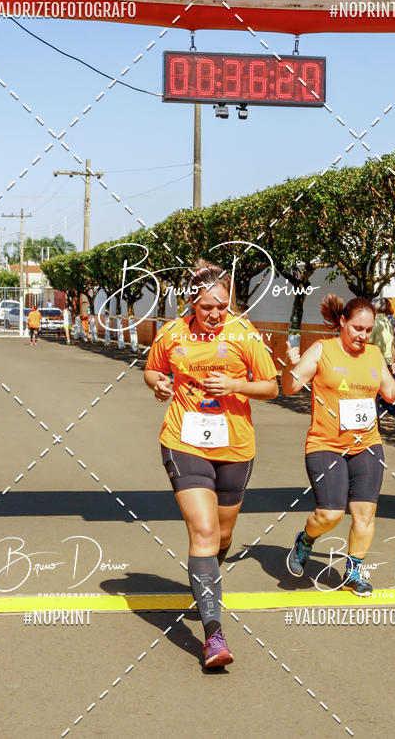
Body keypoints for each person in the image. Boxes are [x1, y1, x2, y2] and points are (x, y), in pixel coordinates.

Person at [144, 261, 278, 667]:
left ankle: (206, 580)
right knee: (203, 532)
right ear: (191, 302)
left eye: (222, 305)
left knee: (222, 535)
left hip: (235, 447)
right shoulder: (173, 332)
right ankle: (213, 636)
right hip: (183, 442)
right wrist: (159, 384)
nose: (216, 314)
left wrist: (235, 384)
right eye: (207, 307)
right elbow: (152, 370)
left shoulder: (244, 334)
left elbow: (271, 387)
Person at [281, 294, 395, 596]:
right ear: (342, 322)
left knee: (365, 514)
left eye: (368, 330)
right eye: (357, 328)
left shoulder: (373, 354)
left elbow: (391, 393)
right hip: (326, 444)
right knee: (331, 514)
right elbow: (290, 387)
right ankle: (305, 540)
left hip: (367, 444)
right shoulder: (322, 350)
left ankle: (353, 573)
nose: (363, 336)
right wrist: (289, 367)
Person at [370, 299, 395, 432]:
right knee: (382, 393)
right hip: (387, 362)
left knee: (372, 394)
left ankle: (377, 424)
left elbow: (368, 344)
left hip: (374, 362)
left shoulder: (373, 323)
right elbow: (392, 344)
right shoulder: (388, 322)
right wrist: (393, 362)